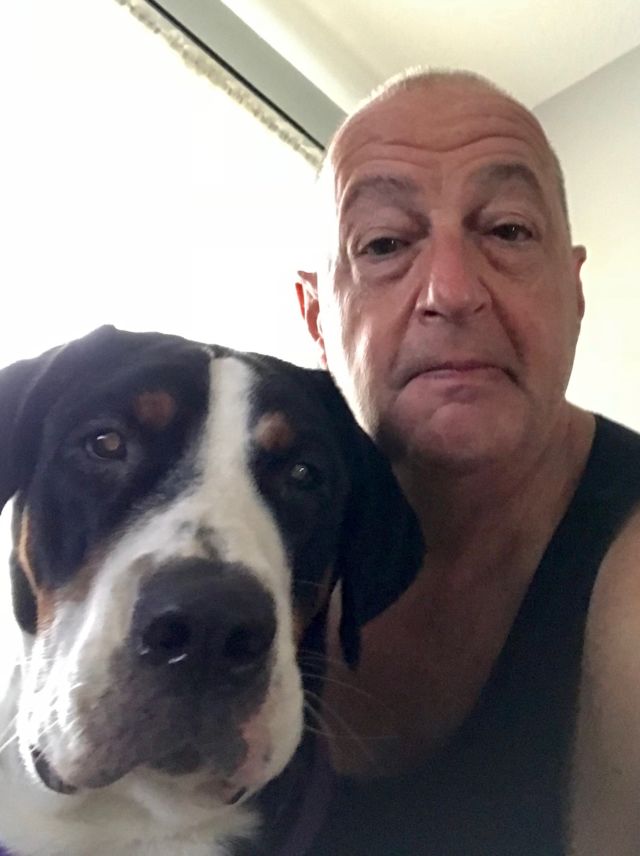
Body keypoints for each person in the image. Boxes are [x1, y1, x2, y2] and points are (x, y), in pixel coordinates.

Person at [295, 69, 640, 855]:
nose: (451, 291)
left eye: (509, 231)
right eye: (385, 244)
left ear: (574, 293)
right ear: (316, 317)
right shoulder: (260, 516)